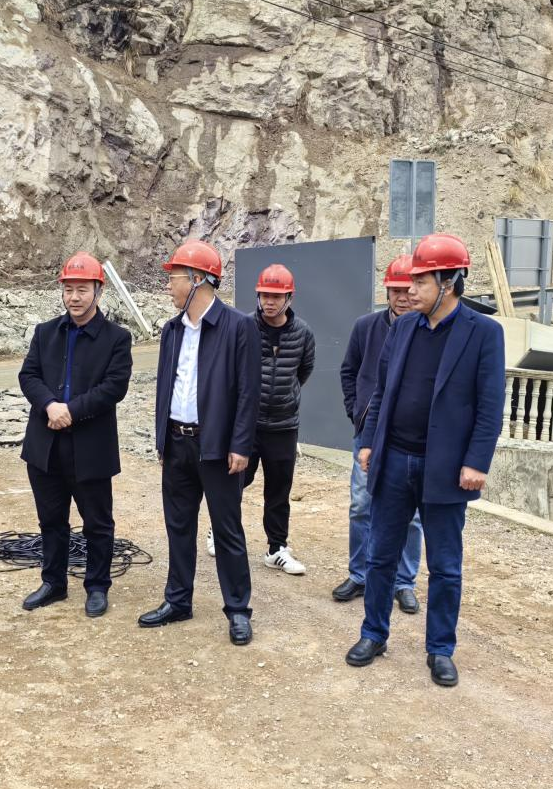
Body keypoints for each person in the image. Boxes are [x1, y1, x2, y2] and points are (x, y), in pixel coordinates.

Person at [344, 234, 504, 686]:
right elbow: (382, 392)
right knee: (380, 556)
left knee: (445, 566)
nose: (410, 290)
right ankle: (373, 633)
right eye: (410, 281)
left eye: (420, 281)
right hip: (394, 461)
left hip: (447, 469)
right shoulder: (404, 328)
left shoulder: (483, 333)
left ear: (449, 282)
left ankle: (440, 649)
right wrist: (369, 442)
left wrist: (477, 462)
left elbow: (490, 405)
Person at [139, 240, 259, 646]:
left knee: (226, 529)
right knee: (179, 526)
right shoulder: (172, 330)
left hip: (218, 448)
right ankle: (178, 600)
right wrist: (162, 438)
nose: (168, 286)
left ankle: (238, 610)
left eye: (173, 277)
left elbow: (249, 392)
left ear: (197, 280)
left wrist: (240, 445)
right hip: (177, 442)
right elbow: (165, 387)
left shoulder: (238, 326)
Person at [18, 252, 133, 618]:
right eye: (68, 289)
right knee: (51, 520)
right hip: (46, 444)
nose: (74, 297)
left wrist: (71, 410)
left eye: (82, 289)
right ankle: (53, 582)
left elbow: (114, 387)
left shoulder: (117, 338)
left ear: (98, 291)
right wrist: (50, 406)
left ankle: (97, 586)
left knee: (97, 523)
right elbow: (28, 376)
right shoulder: (45, 332)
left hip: (90, 446)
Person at [334, 255, 423, 612]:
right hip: (369, 433)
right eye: (395, 290)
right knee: (361, 504)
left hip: (409, 436)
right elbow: (349, 370)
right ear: (386, 291)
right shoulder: (366, 327)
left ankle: (404, 582)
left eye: (408, 289)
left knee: (411, 514)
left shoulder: (426, 330)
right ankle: (360, 574)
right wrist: (356, 411)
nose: (402, 297)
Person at [213, 264, 314, 575]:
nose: (269, 302)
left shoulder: (303, 333)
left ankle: (276, 549)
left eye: (276, 296)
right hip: (248, 425)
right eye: (265, 295)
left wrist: (283, 398)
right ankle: (219, 531)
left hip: (283, 426)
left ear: (289, 298)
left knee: (279, 491)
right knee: (235, 482)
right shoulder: (243, 327)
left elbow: (303, 372)